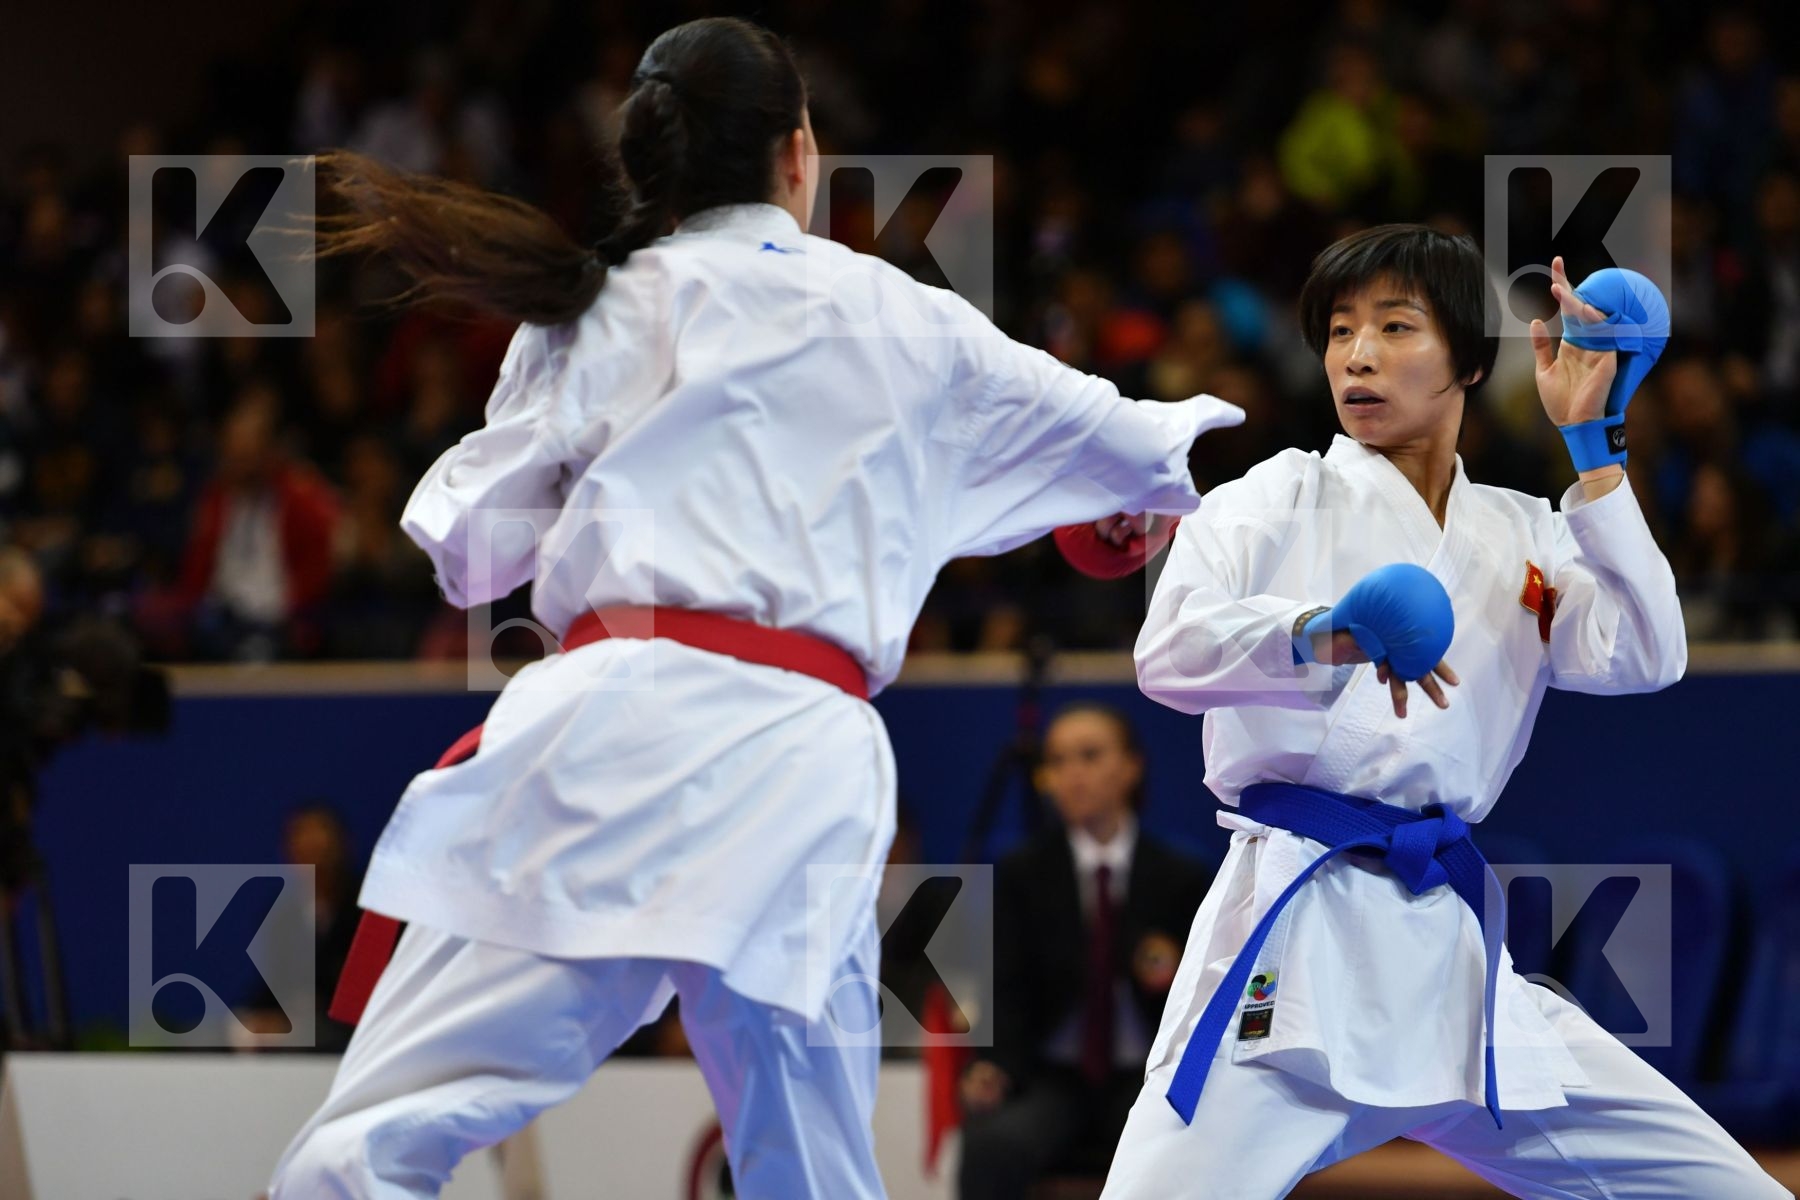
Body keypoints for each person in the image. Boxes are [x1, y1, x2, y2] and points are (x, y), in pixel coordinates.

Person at [267, 16, 1243, 1199]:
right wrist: (1132, 505)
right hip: (804, 765)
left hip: (612, 738)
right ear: (798, 153)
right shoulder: (904, 314)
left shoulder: (590, 307)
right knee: (813, 1167)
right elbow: (1137, 444)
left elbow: (469, 558)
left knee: (382, 1135)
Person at [1063, 225, 1788, 1198]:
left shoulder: (1523, 534)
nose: (1357, 355)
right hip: (1295, 942)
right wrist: (1327, 630)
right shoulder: (1277, 495)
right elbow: (1168, 653)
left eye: (1395, 327)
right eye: (1340, 331)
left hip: (1450, 961)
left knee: (1721, 1191)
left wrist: (1596, 451)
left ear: (1472, 361)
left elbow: (1648, 655)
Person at [959, 702, 1209, 1199]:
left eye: (1089, 756)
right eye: (1057, 761)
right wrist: (994, 1064)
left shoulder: (1182, 876)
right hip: (1055, 1076)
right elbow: (1006, 985)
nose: (1071, 774)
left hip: (1146, 1077)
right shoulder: (1022, 872)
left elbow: (1199, 995)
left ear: (1131, 767)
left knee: (1190, 1150)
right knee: (991, 1147)